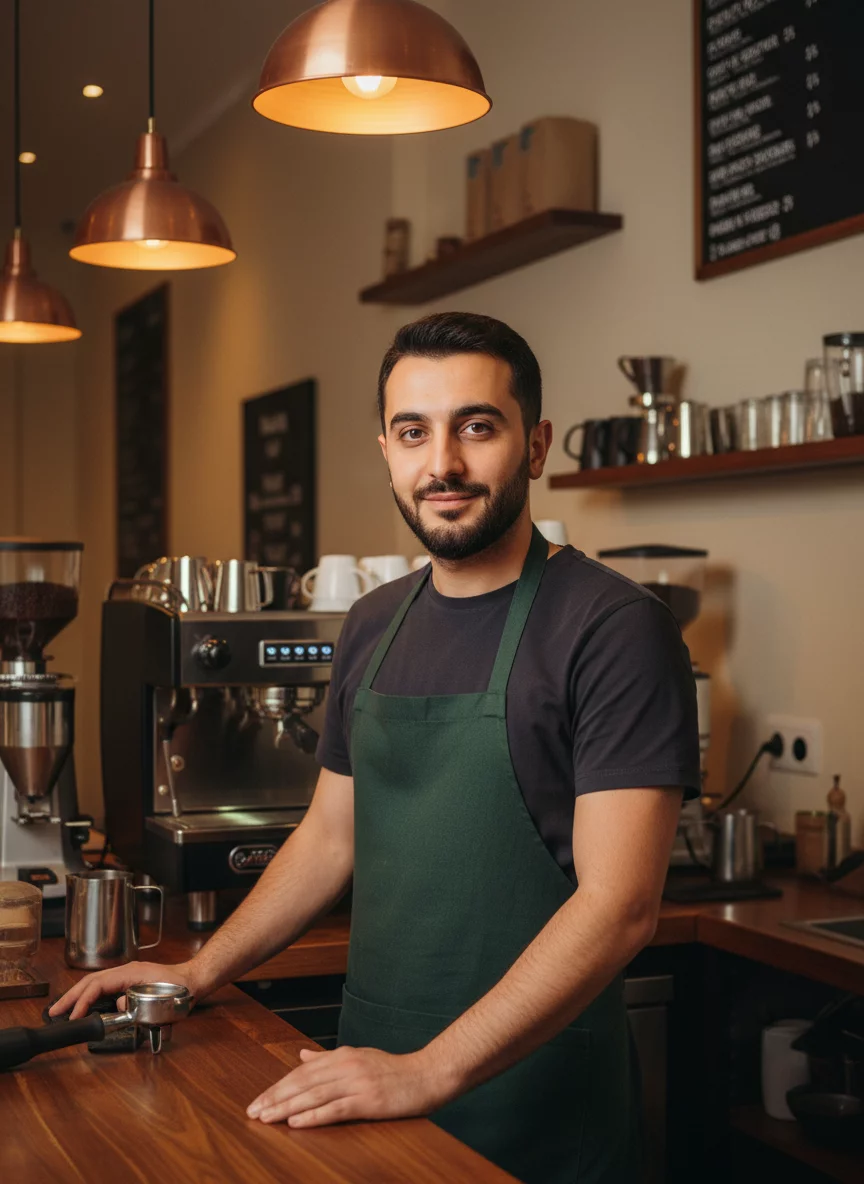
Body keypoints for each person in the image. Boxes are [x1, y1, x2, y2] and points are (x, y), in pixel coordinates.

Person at [53, 312, 700, 1183]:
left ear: (536, 444)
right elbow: (330, 838)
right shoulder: (373, 623)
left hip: (534, 1101)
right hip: (370, 1077)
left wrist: (429, 1071)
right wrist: (197, 971)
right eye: (413, 432)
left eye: (477, 426)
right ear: (387, 449)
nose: (443, 465)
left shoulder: (615, 629)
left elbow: (621, 906)